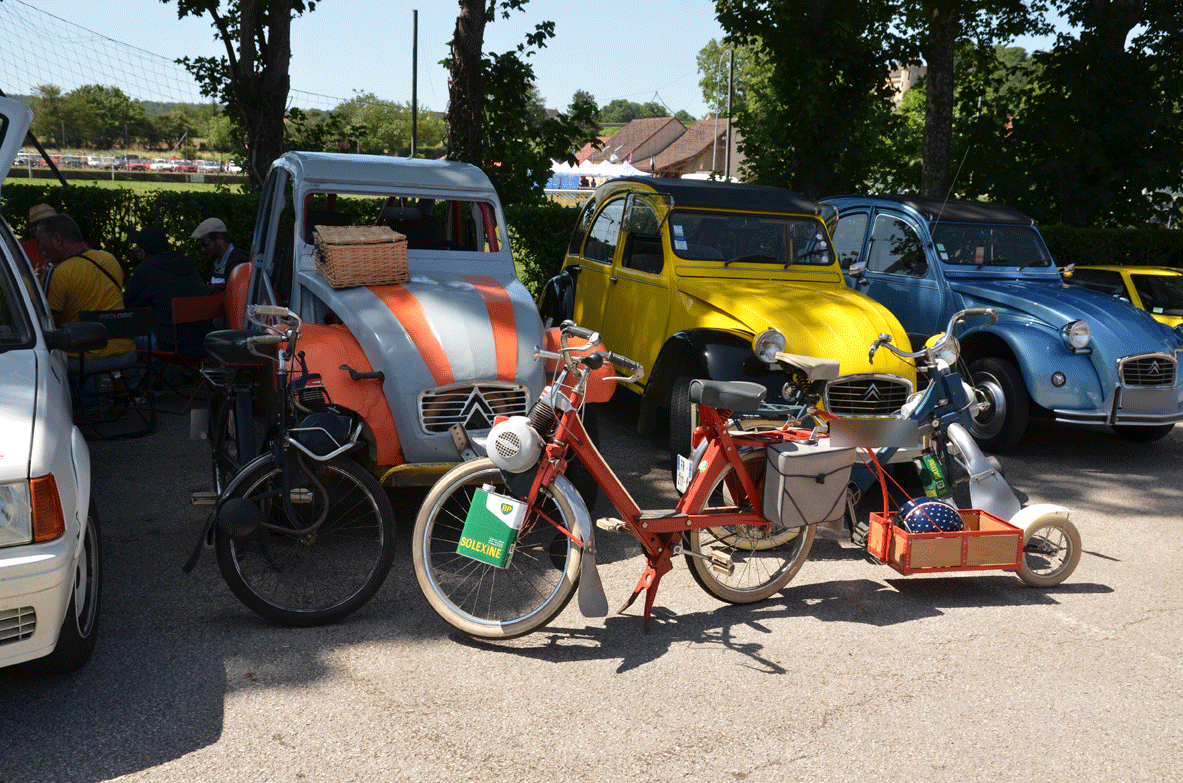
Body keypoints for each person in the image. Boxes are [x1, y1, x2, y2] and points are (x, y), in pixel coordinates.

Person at [37, 213, 136, 382]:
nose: (39, 247)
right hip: (125, 353)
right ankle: (116, 395)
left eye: (40, 240)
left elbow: (48, 324)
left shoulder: (60, 273)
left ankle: (82, 403)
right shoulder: (108, 259)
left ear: (57, 239)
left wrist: (40, 283)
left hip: (84, 359)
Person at [124, 225, 216, 356]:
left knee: (122, 330)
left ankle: (134, 376)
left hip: (170, 346)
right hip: (202, 342)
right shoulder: (187, 263)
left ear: (143, 253)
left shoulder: (145, 270)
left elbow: (126, 305)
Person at [191, 217, 249, 286]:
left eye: (205, 244)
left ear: (220, 239)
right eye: (200, 245)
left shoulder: (239, 264)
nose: (202, 249)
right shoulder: (217, 264)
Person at [22, 203, 55, 279]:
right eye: (37, 225)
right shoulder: (25, 249)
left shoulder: (70, 244)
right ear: (33, 231)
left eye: (50, 223)